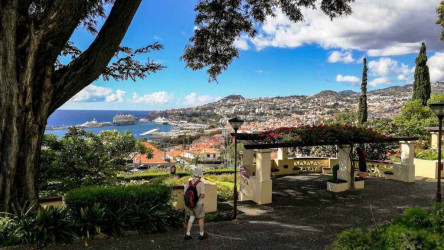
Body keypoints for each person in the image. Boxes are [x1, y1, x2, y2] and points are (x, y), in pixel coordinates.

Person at [184, 168, 208, 240]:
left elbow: (184, 193)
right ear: (200, 175)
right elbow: (202, 195)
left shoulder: (189, 182)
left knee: (191, 217)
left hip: (190, 204)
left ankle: (187, 234)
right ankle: (201, 234)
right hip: (199, 204)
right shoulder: (201, 183)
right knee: (201, 218)